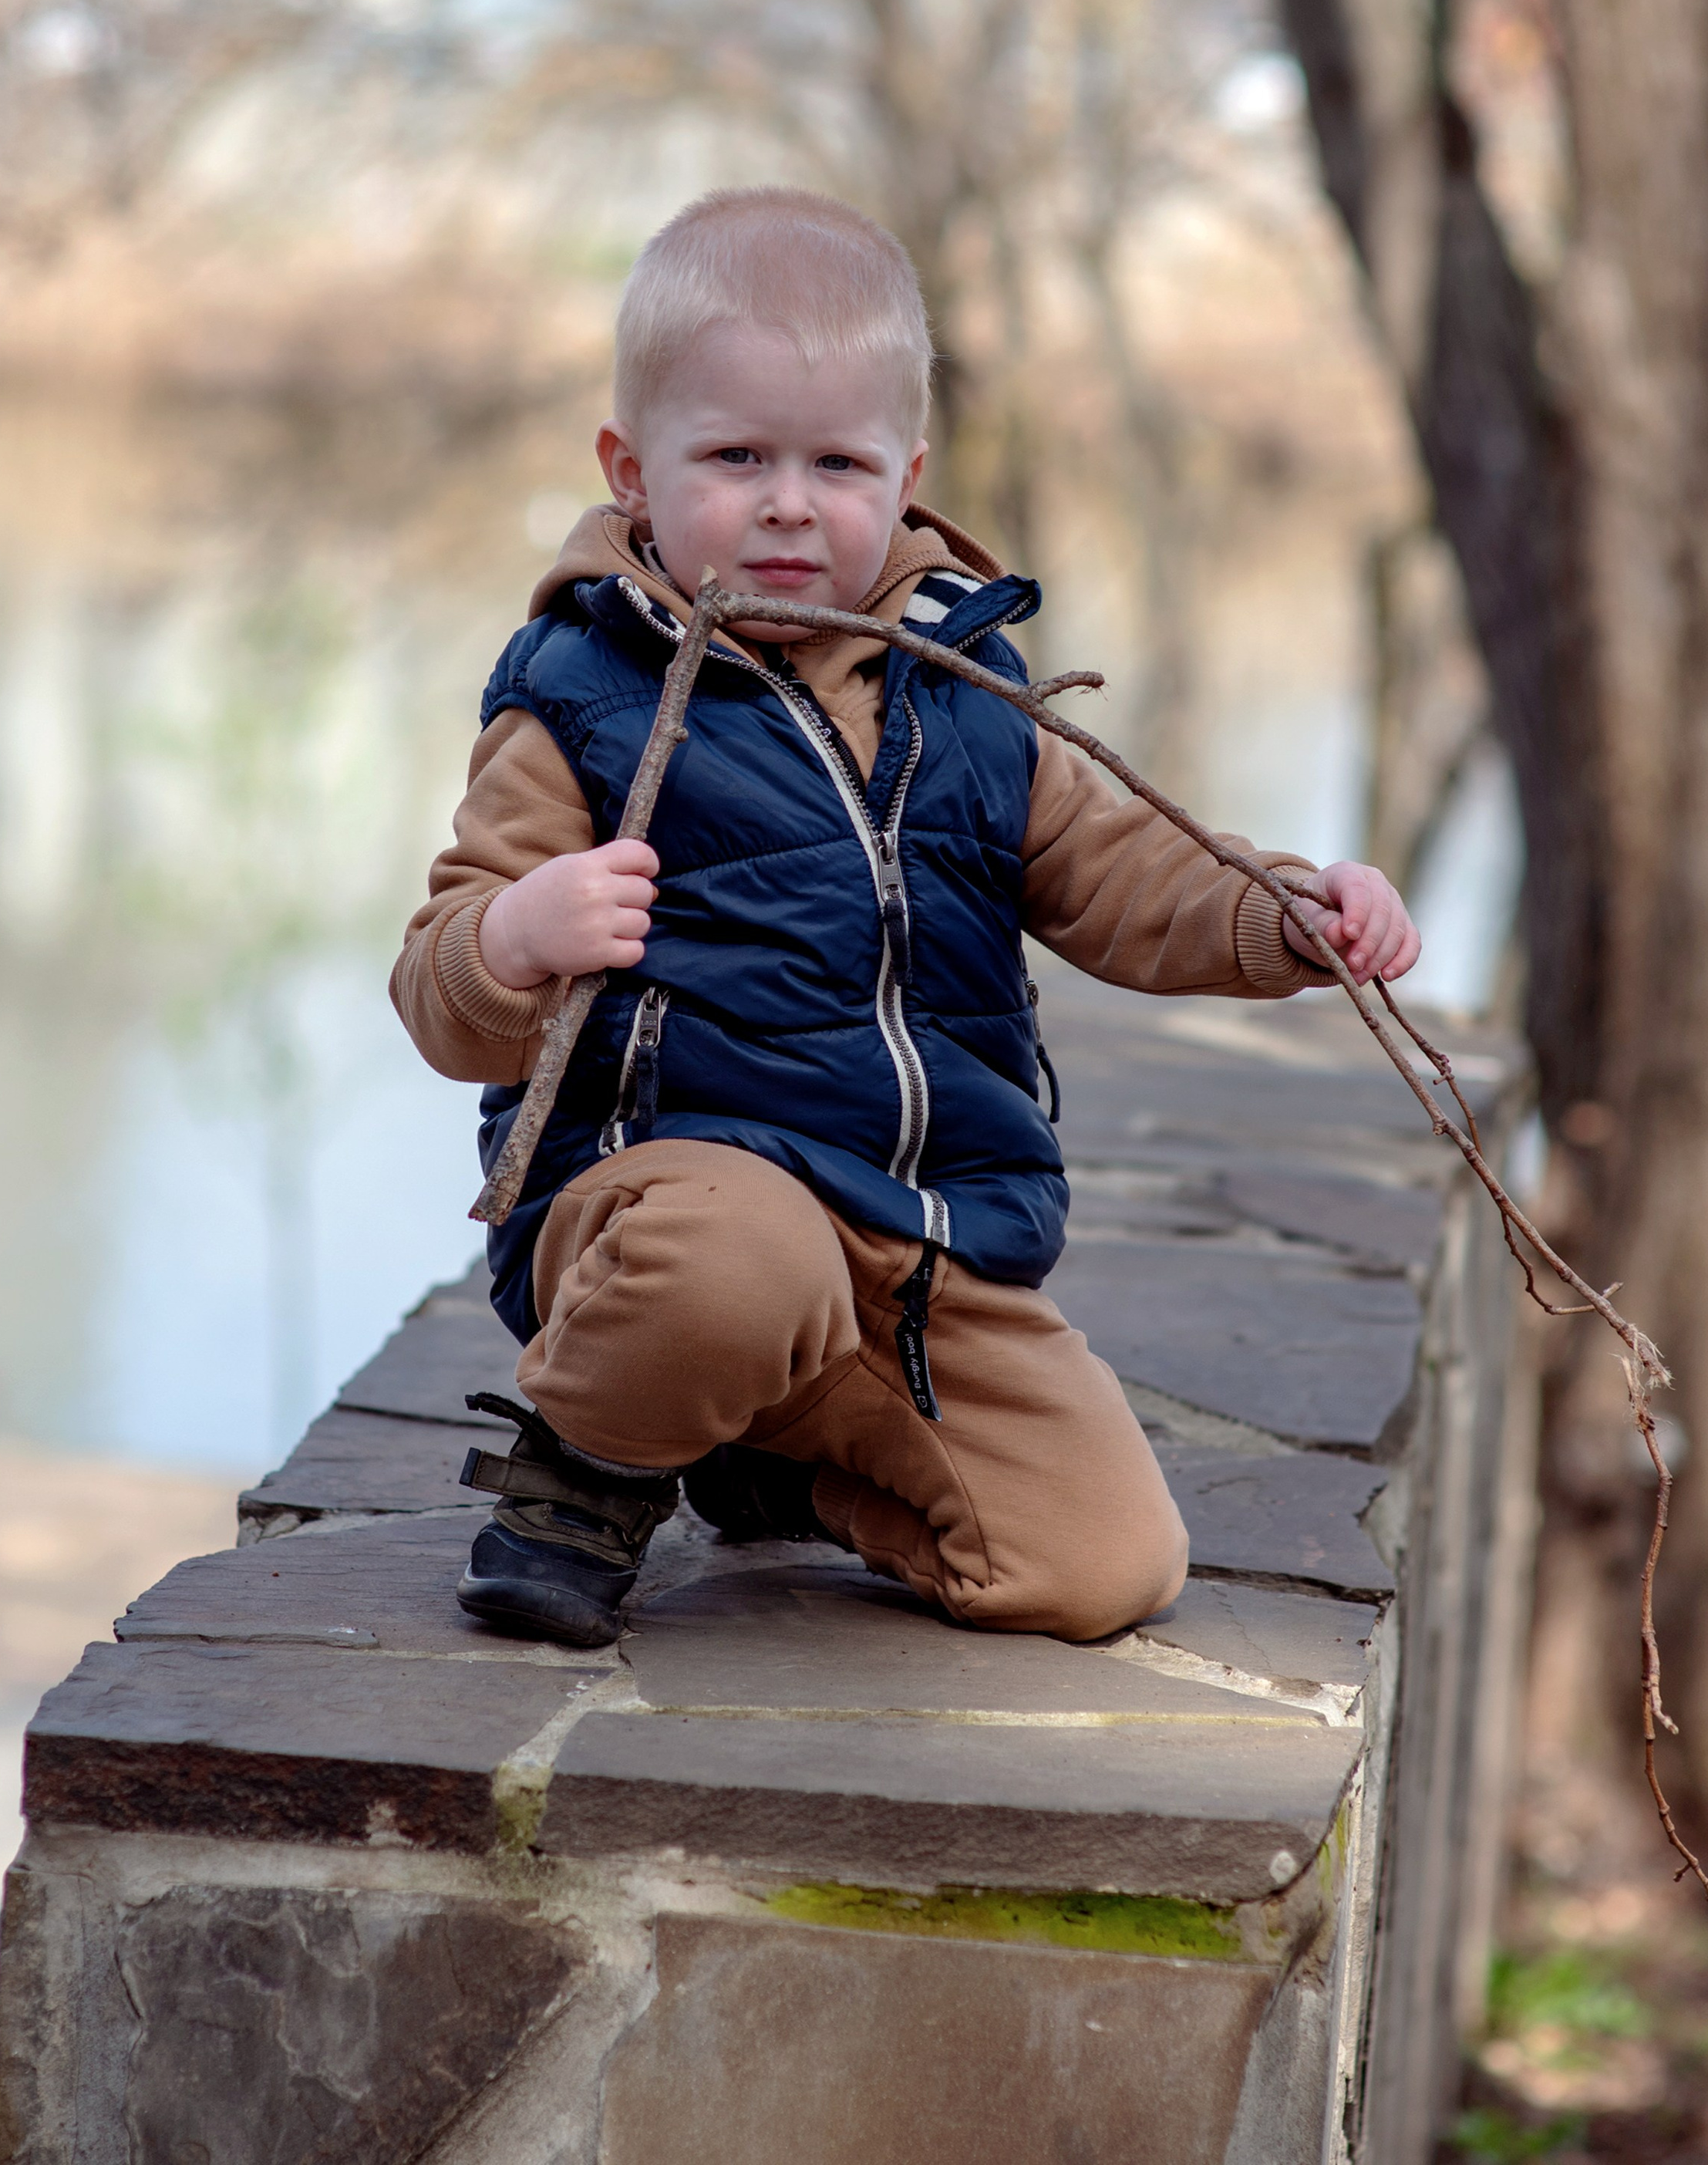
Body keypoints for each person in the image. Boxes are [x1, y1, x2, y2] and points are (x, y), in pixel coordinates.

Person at [391, 187, 1420, 1651]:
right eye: (735, 457)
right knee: (743, 1259)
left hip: (919, 1236)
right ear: (632, 468)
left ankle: (768, 1468)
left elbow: (1126, 875)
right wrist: (517, 939)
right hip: (666, 1210)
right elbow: (438, 988)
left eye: (837, 462)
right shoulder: (585, 699)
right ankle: (583, 1476)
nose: (791, 503)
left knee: (1101, 1564)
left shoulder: (971, 696)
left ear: (909, 472)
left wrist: (1284, 916)